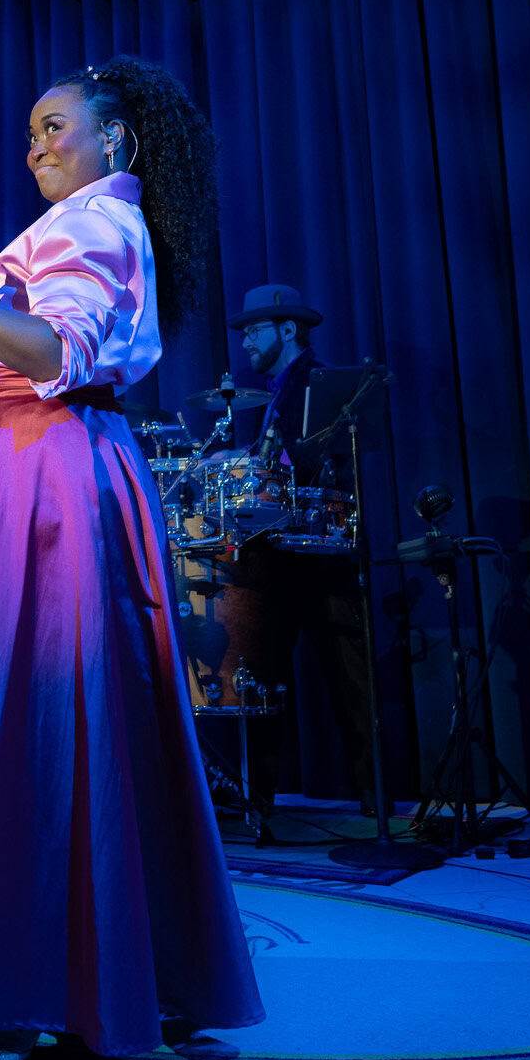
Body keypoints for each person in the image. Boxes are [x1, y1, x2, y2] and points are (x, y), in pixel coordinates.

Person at [0, 56, 263, 1060]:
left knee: (50, 717)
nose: (36, 145)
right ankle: (52, 976)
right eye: (31, 130)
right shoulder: (81, 221)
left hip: (44, 471)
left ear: (114, 140)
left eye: (54, 127)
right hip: (13, 465)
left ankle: (76, 990)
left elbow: (57, 357)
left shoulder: (94, 220)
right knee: (34, 719)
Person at [192, 285, 373, 811]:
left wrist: (245, 462)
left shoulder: (320, 382)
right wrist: (235, 458)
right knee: (262, 673)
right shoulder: (278, 391)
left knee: (349, 677)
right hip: (283, 555)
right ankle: (259, 796)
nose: (246, 341)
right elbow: (277, 460)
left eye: (255, 330)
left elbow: (312, 460)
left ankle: (371, 798)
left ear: (288, 329)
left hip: (323, 555)